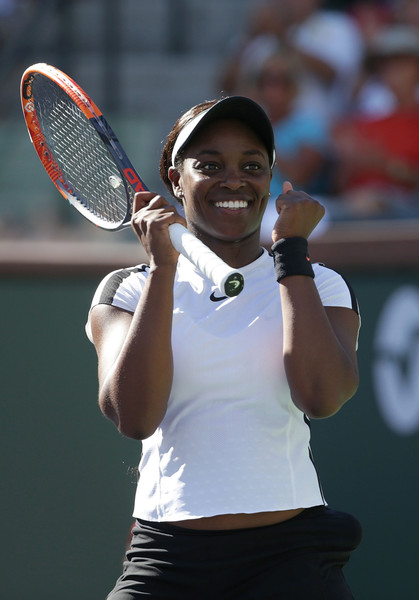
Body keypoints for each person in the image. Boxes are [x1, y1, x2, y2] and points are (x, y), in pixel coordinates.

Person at [86, 96, 362, 599]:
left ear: (270, 179)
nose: (233, 180)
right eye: (209, 165)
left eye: (251, 166)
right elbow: (136, 417)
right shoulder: (126, 289)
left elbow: (322, 397)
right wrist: (163, 270)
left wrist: (291, 254)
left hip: (290, 558)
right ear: (175, 180)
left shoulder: (320, 284)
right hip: (168, 556)